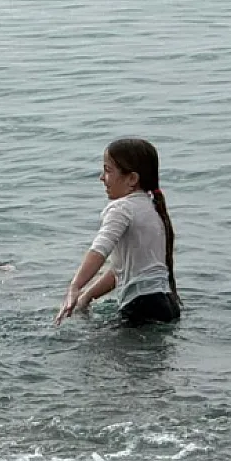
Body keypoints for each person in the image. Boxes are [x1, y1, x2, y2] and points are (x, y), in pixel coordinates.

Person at [54, 138, 180, 326]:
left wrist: (75, 286)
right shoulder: (151, 208)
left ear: (132, 179)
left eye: (107, 170)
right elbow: (120, 270)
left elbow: (100, 249)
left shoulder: (122, 208)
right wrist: (87, 296)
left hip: (141, 307)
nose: (101, 178)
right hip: (167, 305)